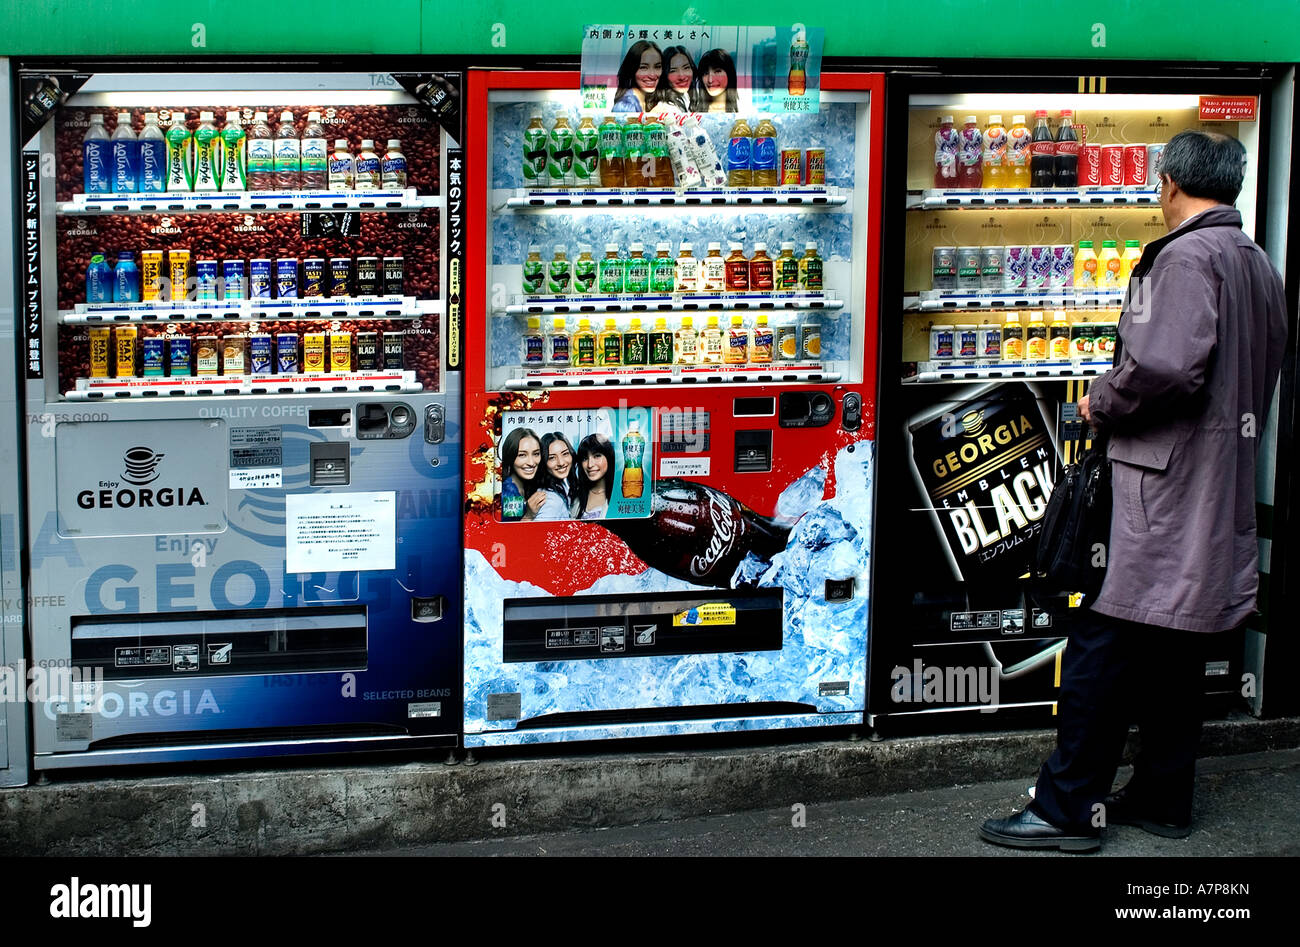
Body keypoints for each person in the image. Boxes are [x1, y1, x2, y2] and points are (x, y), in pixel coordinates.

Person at [980, 130, 1288, 852]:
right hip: (1217, 487)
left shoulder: (1177, 260)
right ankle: (1162, 794)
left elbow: (1162, 370)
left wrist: (1098, 401)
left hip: (1159, 490)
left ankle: (1065, 810)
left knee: (1101, 639)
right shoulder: (1256, 263)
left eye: (1157, 186)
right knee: (1176, 647)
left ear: (1172, 185)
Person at [500, 426, 548, 522]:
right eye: (522, 455)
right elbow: (510, 534)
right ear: (510, 456)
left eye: (536, 454)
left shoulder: (526, 485)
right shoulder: (510, 494)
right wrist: (529, 515)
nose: (531, 462)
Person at [534, 431, 578, 521]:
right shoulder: (551, 501)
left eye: (565, 454)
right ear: (543, 462)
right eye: (552, 458)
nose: (561, 463)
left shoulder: (561, 484)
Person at [613, 41, 666, 113]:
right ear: (631, 70)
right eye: (644, 68)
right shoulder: (626, 106)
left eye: (657, 67)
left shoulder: (646, 102)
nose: (652, 75)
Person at [575, 433, 615, 520]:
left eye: (597, 456)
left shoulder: (619, 495)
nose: (590, 464)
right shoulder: (576, 497)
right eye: (585, 458)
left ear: (608, 457)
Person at [661, 46, 697, 112]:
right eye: (673, 71)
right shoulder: (667, 108)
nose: (682, 77)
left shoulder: (689, 95)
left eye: (686, 68)